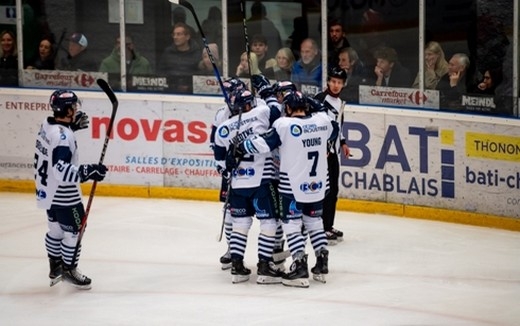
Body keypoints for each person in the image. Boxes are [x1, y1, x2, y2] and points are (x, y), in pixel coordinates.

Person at [231, 90, 339, 287]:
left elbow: (262, 144)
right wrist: (314, 104)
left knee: (291, 223)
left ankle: (299, 265)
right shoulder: (323, 121)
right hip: (318, 185)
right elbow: (334, 128)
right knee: (314, 221)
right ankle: (322, 262)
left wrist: (240, 147)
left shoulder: (284, 125)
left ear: (287, 108)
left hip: (293, 185)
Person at [34, 89, 107, 290]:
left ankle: (55, 266)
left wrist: (70, 128)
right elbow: (61, 169)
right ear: (66, 110)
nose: (76, 110)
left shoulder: (47, 125)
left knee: (55, 230)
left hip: (48, 192)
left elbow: (55, 146)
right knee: (75, 231)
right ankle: (69, 269)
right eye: (73, 107)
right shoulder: (63, 137)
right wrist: (88, 171)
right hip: (65, 195)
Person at [213, 88, 283, 284]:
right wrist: (267, 93)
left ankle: (237, 266)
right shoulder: (261, 113)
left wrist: (228, 168)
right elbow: (278, 109)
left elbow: (220, 161)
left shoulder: (223, 128)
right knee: (269, 222)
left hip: (238, 185)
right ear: (250, 103)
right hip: (262, 181)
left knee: (240, 224)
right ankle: (264, 265)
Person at [210, 77, 247, 270]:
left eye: (231, 93)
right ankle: (233, 249)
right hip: (232, 171)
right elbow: (214, 142)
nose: (228, 98)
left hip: (258, 171)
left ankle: (273, 250)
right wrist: (222, 166)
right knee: (231, 211)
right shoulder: (221, 114)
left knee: (269, 215)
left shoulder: (256, 111)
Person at [314, 67, 351, 243]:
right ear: (328, 81)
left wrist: (342, 142)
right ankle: (319, 227)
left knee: (333, 190)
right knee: (324, 190)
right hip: (322, 154)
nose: (336, 85)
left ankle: (328, 225)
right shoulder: (319, 101)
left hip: (333, 153)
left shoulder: (340, 102)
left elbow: (338, 127)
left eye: (339, 82)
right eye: (333, 81)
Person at [158, 22, 202, 94]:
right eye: (174, 34)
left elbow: (200, 75)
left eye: (178, 34)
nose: (175, 37)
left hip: (192, 92)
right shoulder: (168, 52)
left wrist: (189, 87)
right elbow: (161, 72)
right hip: (170, 91)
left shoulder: (196, 53)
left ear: (187, 37)